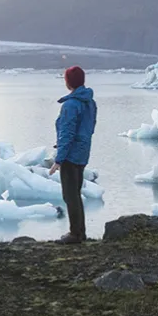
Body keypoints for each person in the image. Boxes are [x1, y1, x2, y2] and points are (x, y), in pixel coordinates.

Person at [48, 66, 97, 244]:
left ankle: (75, 233)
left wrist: (59, 158)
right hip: (83, 151)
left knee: (70, 195)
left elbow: (67, 133)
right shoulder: (89, 102)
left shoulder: (71, 105)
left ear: (68, 82)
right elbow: (90, 127)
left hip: (70, 154)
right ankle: (80, 232)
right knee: (75, 193)